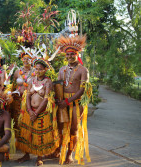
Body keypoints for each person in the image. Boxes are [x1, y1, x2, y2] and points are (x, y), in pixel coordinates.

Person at [17, 53, 59, 166]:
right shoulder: (31, 80)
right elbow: (27, 96)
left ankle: (39, 157)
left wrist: (36, 112)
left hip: (42, 112)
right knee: (27, 133)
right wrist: (30, 111)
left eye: (40, 69)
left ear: (45, 69)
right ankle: (26, 154)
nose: (38, 71)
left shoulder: (47, 82)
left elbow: (46, 99)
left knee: (40, 135)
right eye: (36, 69)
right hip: (30, 111)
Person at [56, 35, 91, 165]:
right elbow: (58, 85)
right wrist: (58, 100)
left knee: (73, 129)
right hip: (62, 103)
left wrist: (68, 101)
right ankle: (59, 150)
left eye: (72, 54)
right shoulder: (62, 69)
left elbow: (82, 90)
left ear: (77, 54)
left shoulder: (83, 70)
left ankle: (69, 154)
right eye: (67, 54)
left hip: (75, 103)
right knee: (60, 128)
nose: (70, 56)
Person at [9, 47, 35, 136]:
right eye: (24, 59)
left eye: (28, 59)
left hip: (29, 99)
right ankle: (17, 135)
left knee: (27, 117)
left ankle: (26, 135)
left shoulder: (35, 72)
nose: (26, 60)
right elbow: (12, 86)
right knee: (17, 116)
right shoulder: (17, 72)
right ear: (22, 60)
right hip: (18, 98)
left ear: (32, 60)